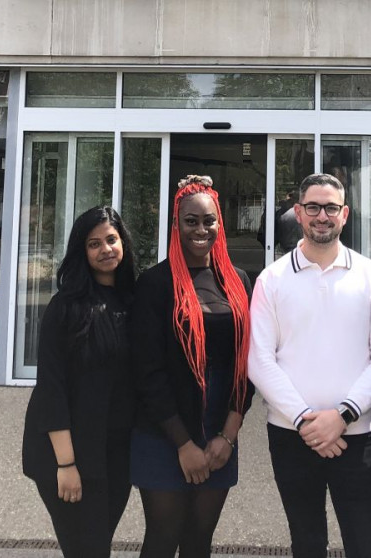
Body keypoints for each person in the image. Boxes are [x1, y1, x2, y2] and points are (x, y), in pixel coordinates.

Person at [248, 172, 371, 558]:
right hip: (292, 436)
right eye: (313, 207)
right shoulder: (271, 280)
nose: (322, 215)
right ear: (298, 212)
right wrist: (306, 421)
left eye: (331, 207)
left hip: (356, 435)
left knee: (366, 546)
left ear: (345, 214)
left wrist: (342, 416)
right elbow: (259, 361)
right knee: (307, 544)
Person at [129, 175, 253, 558]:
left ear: (220, 224)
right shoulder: (154, 283)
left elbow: (248, 365)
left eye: (209, 221)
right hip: (164, 431)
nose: (201, 230)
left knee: (200, 540)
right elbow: (147, 371)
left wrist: (228, 437)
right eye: (191, 221)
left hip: (219, 430)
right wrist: (183, 444)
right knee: (163, 539)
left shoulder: (238, 282)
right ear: (176, 224)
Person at [21, 206, 139, 558]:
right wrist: (67, 465)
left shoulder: (132, 302)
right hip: (66, 457)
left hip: (114, 457)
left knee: (97, 546)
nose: (105, 249)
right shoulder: (65, 308)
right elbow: (51, 389)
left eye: (112, 240)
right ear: (81, 251)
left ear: (123, 244)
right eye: (94, 243)